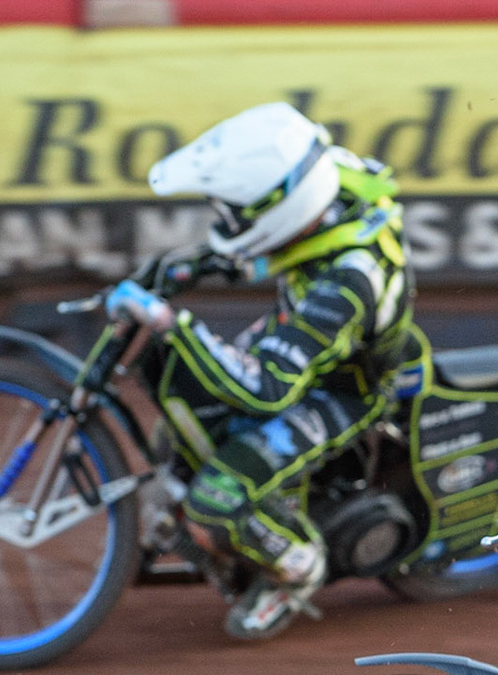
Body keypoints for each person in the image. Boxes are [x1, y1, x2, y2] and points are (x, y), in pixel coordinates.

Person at [102, 102, 413, 639]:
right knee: (178, 429)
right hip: (310, 342)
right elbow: (258, 240)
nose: (226, 221)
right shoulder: (324, 183)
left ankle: (296, 566)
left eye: (235, 212)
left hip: (341, 393)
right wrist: (186, 265)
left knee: (211, 506)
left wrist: (175, 325)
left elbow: (266, 389)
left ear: (282, 208)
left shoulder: (346, 283)